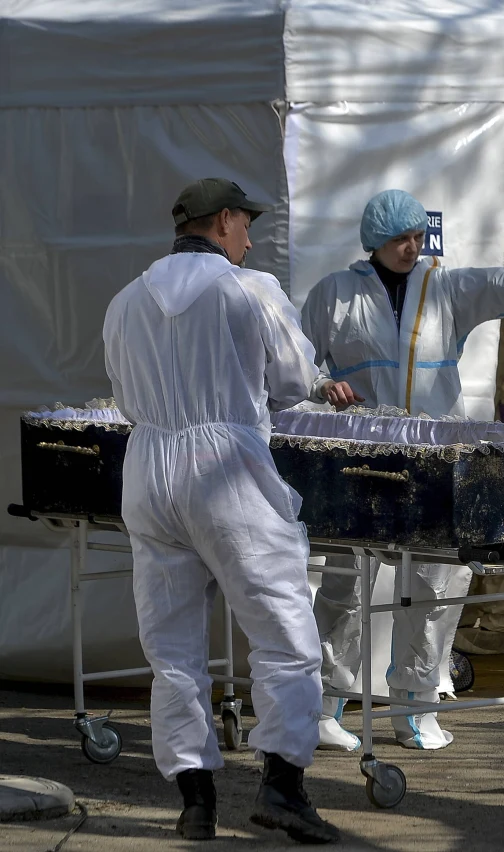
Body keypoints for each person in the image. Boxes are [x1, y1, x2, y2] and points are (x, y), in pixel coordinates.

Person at [302, 189, 504, 751]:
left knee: (433, 585)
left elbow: (503, 286)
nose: (412, 247)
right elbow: (297, 359)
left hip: (434, 458)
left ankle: (414, 709)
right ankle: (322, 708)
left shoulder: (444, 288)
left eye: (418, 236)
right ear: (374, 241)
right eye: (400, 238)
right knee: (344, 584)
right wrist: (322, 387)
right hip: (361, 459)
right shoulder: (334, 295)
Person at [103, 178, 360, 843]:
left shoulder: (127, 300)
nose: (250, 238)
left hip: (149, 467)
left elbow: (126, 398)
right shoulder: (250, 290)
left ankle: (195, 804)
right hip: (226, 470)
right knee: (286, 635)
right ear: (223, 221)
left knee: (172, 646)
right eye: (246, 225)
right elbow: (291, 380)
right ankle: (282, 787)